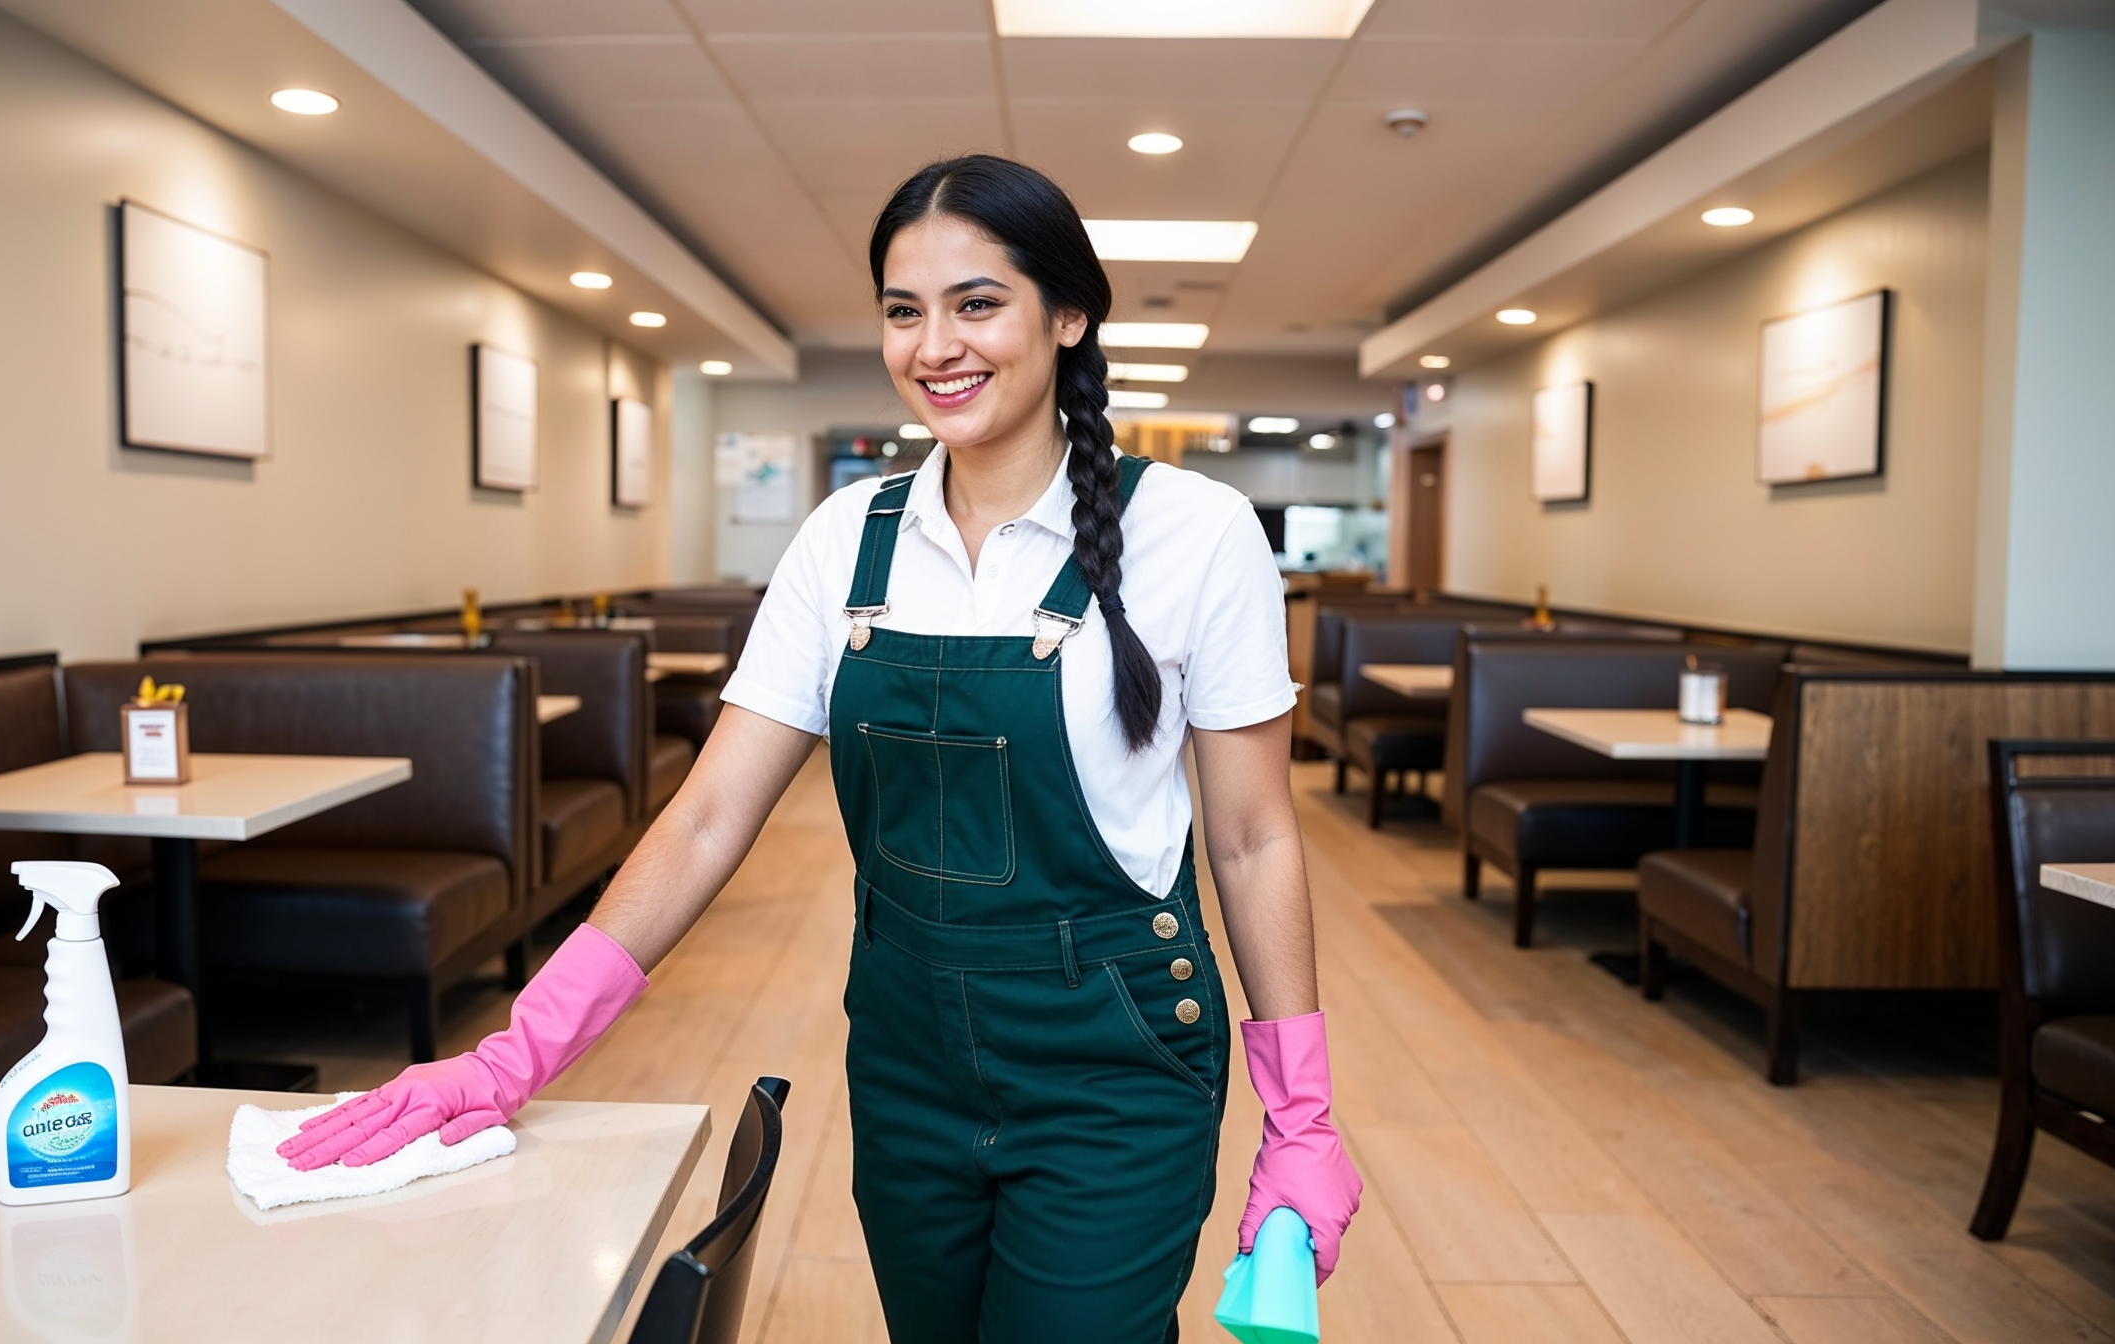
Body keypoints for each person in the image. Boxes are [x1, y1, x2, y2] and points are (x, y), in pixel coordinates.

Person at [282, 154, 1362, 1343]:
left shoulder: (1194, 534)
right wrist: (512, 1056)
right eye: (905, 311)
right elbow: (703, 819)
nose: (934, 345)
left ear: (1068, 314)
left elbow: (1253, 837)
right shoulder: (848, 539)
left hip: (1114, 1058)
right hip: (906, 1053)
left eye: (977, 302)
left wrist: (1298, 1112)